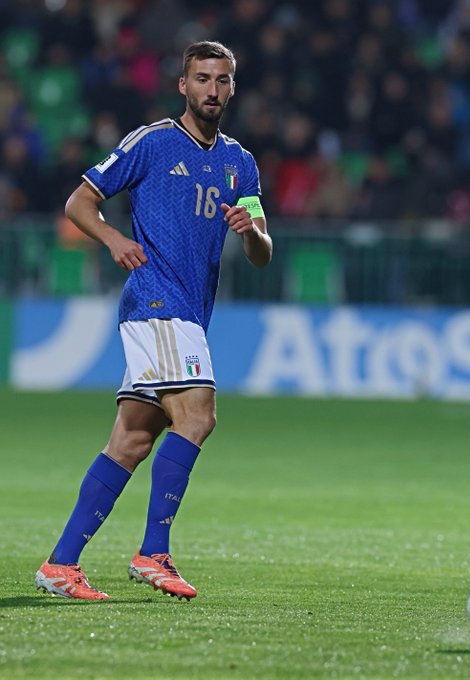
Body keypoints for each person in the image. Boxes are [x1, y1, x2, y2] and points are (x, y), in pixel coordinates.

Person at [35, 41, 273, 601]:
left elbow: (263, 254)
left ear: (233, 87)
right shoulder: (154, 142)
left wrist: (252, 231)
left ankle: (60, 565)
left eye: (222, 80)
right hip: (156, 300)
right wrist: (115, 238)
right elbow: (78, 202)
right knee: (198, 414)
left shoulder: (241, 163)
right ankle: (154, 551)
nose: (211, 90)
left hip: (190, 309)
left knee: (133, 440)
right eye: (201, 79)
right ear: (183, 86)